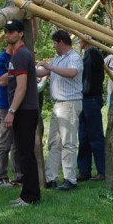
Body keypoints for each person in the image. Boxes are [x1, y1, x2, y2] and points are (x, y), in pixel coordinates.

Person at [37, 29, 83, 191]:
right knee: (54, 142)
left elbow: (72, 73)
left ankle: (70, 179)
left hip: (69, 103)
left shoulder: (74, 57)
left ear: (61, 42)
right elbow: (43, 72)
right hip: (57, 104)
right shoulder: (57, 59)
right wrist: (27, 68)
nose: (53, 46)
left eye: (55, 43)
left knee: (68, 142)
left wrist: (50, 66)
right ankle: (51, 178)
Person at [2, 19, 40, 207]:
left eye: (11, 31)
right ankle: (27, 194)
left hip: (25, 111)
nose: (7, 35)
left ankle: (31, 196)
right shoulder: (17, 55)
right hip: (23, 110)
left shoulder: (22, 55)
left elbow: (21, 87)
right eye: (6, 32)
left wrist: (11, 111)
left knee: (26, 155)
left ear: (20, 33)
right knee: (23, 154)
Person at [0, 42, 22, 187]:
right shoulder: (0, 61)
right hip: (4, 108)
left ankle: (18, 176)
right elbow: (2, 81)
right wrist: (16, 70)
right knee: (5, 143)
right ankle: (2, 177)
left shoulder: (19, 58)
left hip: (18, 106)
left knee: (17, 143)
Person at [76, 34, 106, 182]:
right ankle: (84, 171)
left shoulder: (94, 53)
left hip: (92, 99)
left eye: (80, 38)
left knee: (95, 136)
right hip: (84, 99)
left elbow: (98, 67)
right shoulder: (86, 55)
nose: (78, 41)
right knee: (83, 137)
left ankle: (103, 171)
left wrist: (91, 43)